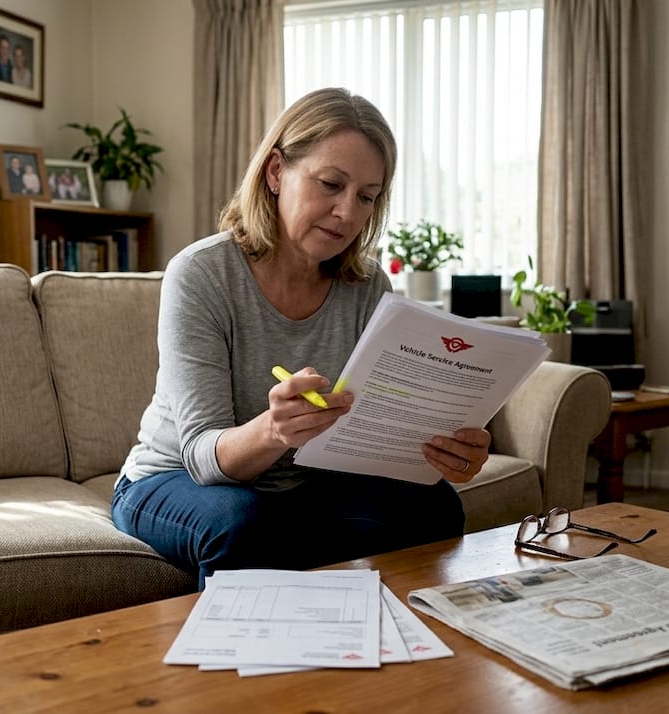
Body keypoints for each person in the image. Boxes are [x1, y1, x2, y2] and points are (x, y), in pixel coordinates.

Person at [110, 88, 485, 590]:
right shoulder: (201, 274)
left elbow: (372, 428)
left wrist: (444, 449)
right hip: (171, 478)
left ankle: (399, 653)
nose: (348, 214)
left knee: (434, 506)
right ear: (275, 173)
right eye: (330, 184)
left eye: (367, 197)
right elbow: (201, 455)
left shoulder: (369, 285)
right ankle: (241, 662)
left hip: (304, 483)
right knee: (243, 524)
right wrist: (273, 430)